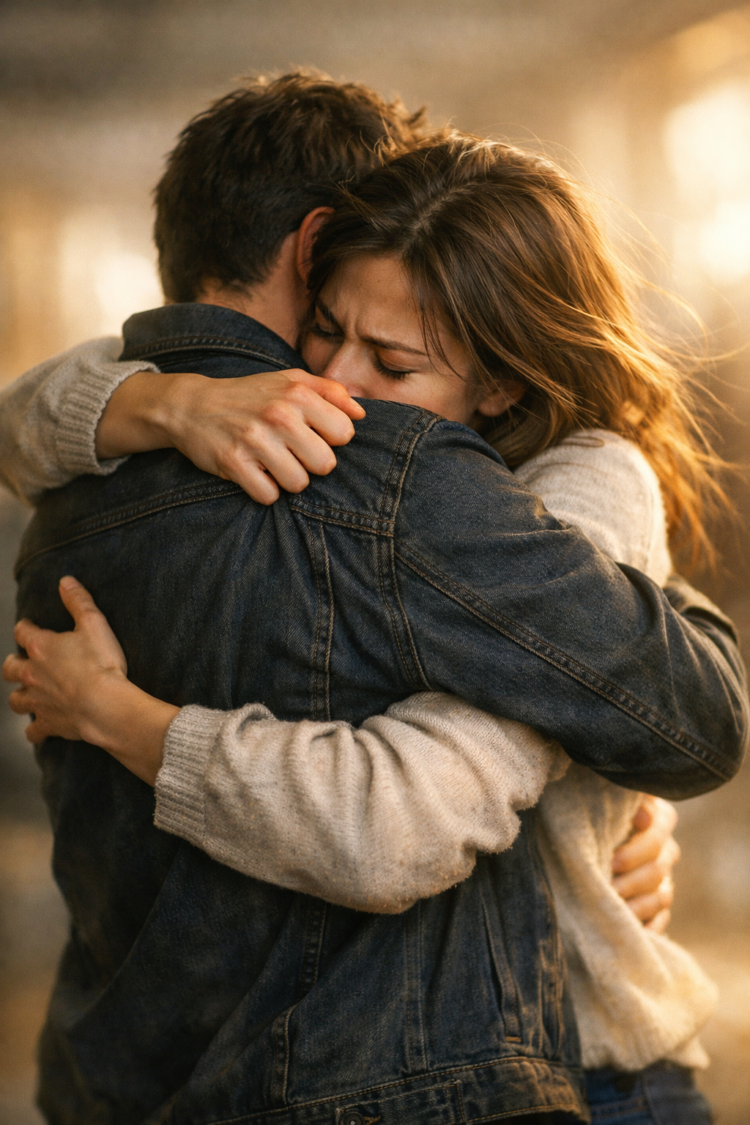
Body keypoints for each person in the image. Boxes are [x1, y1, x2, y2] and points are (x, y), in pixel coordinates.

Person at [1, 93, 746, 1125]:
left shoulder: (555, 486)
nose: (338, 387)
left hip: (600, 1063)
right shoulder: (279, 451)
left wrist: (130, 723)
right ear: (315, 257)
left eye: (390, 364)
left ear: (498, 381)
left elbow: (399, 822)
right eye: (324, 332)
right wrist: (160, 401)